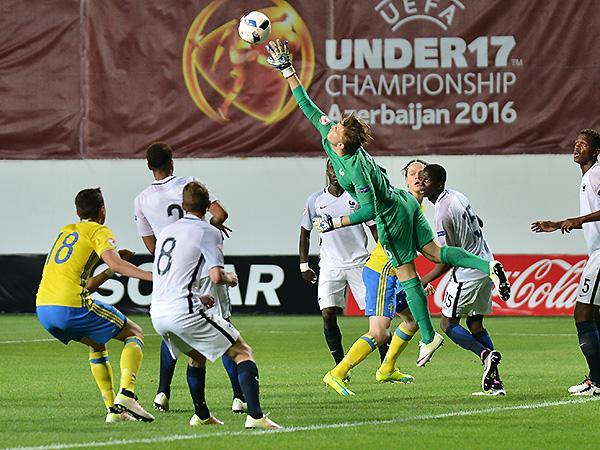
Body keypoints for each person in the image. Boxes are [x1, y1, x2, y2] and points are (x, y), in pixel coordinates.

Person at [265, 40, 510, 394]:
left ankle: (427, 339)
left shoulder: (356, 167)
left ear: (342, 144)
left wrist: (334, 223)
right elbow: (306, 104)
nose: (331, 126)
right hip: (402, 203)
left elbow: (368, 210)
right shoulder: (333, 139)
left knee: (406, 275)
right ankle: (486, 267)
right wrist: (287, 70)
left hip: (390, 213)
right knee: (435, 253)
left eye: (336, 128)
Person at [150, 181, 281, 429]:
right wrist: (231, 278)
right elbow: (216, 277)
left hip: (158, 311)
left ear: (182, 205)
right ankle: (256, 416)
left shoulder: (167, 231)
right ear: (208, 206)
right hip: (183, 311)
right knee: (242, 352)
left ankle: (201, 415)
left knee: (196, 356)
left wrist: (196, 297)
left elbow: (168, 275)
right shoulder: (208, 232)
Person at [133, 142, 245, 414]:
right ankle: (238, 397)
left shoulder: (141, 199)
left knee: (174, 331)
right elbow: (220, 214)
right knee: (224, 327)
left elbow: (152, 246)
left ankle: (162, 392)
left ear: (148, 166)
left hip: (172, 273)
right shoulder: (189, 183)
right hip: (203, 265)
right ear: (172, 161)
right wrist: (212, 228)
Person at [36, 188, 154, 422]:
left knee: (96, 343)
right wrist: (154, 277)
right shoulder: (98, 230)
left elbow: (88, 285)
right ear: (102, 210)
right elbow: (118, 265)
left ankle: (114, 411)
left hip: (44, 308)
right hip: (70, 307)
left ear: (77, 212)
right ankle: (127, 395)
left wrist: (109, 269)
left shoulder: (65, 232)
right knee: (135, 333)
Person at [323, 160, 431, 395]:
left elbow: (405, 246)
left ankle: (387, 369)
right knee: (379, 333)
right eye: (412, 173)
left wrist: (414, 279)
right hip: (382, 271)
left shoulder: (417, 205)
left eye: (422, 173)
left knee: (412, 320)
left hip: (395, 272)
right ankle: (337, 373)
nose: (417, 177)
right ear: (405, 180)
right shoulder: (400, 201)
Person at [419, 164, 505, 396]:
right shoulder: (458, 196)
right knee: (475, 324)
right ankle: (496, 384)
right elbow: (480, 223)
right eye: (420, 179)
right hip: (487, 265)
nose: (421, 184)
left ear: (439, 184)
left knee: (447, 324)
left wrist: (424, 279)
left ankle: (485, 355)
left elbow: (448, 257)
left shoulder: (442, 213)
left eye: (426, 180)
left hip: (467, 273)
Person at [532, 128, 600, 396]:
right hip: (596, 253)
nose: (577, 147)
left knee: (582, 314)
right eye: (576, 143)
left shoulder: (596, 174)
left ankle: (596, 381)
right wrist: (558, 224)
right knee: (596, 316)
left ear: (596, 151)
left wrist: (578, 220)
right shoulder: (587, 177)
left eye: (584, 144)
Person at [299, 159, 374, 366]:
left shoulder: (358, 197)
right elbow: (305, 233)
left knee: (376, 315)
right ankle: (340, 365)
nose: (333, 171)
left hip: (360, 263)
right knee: (328, 314)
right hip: (330, 266)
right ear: (327, 171)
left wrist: (383, 255)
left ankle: (386, 363)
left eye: (337, 168)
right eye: (330, 168)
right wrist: (304, 265)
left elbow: (374, 228)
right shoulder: (315, 200)